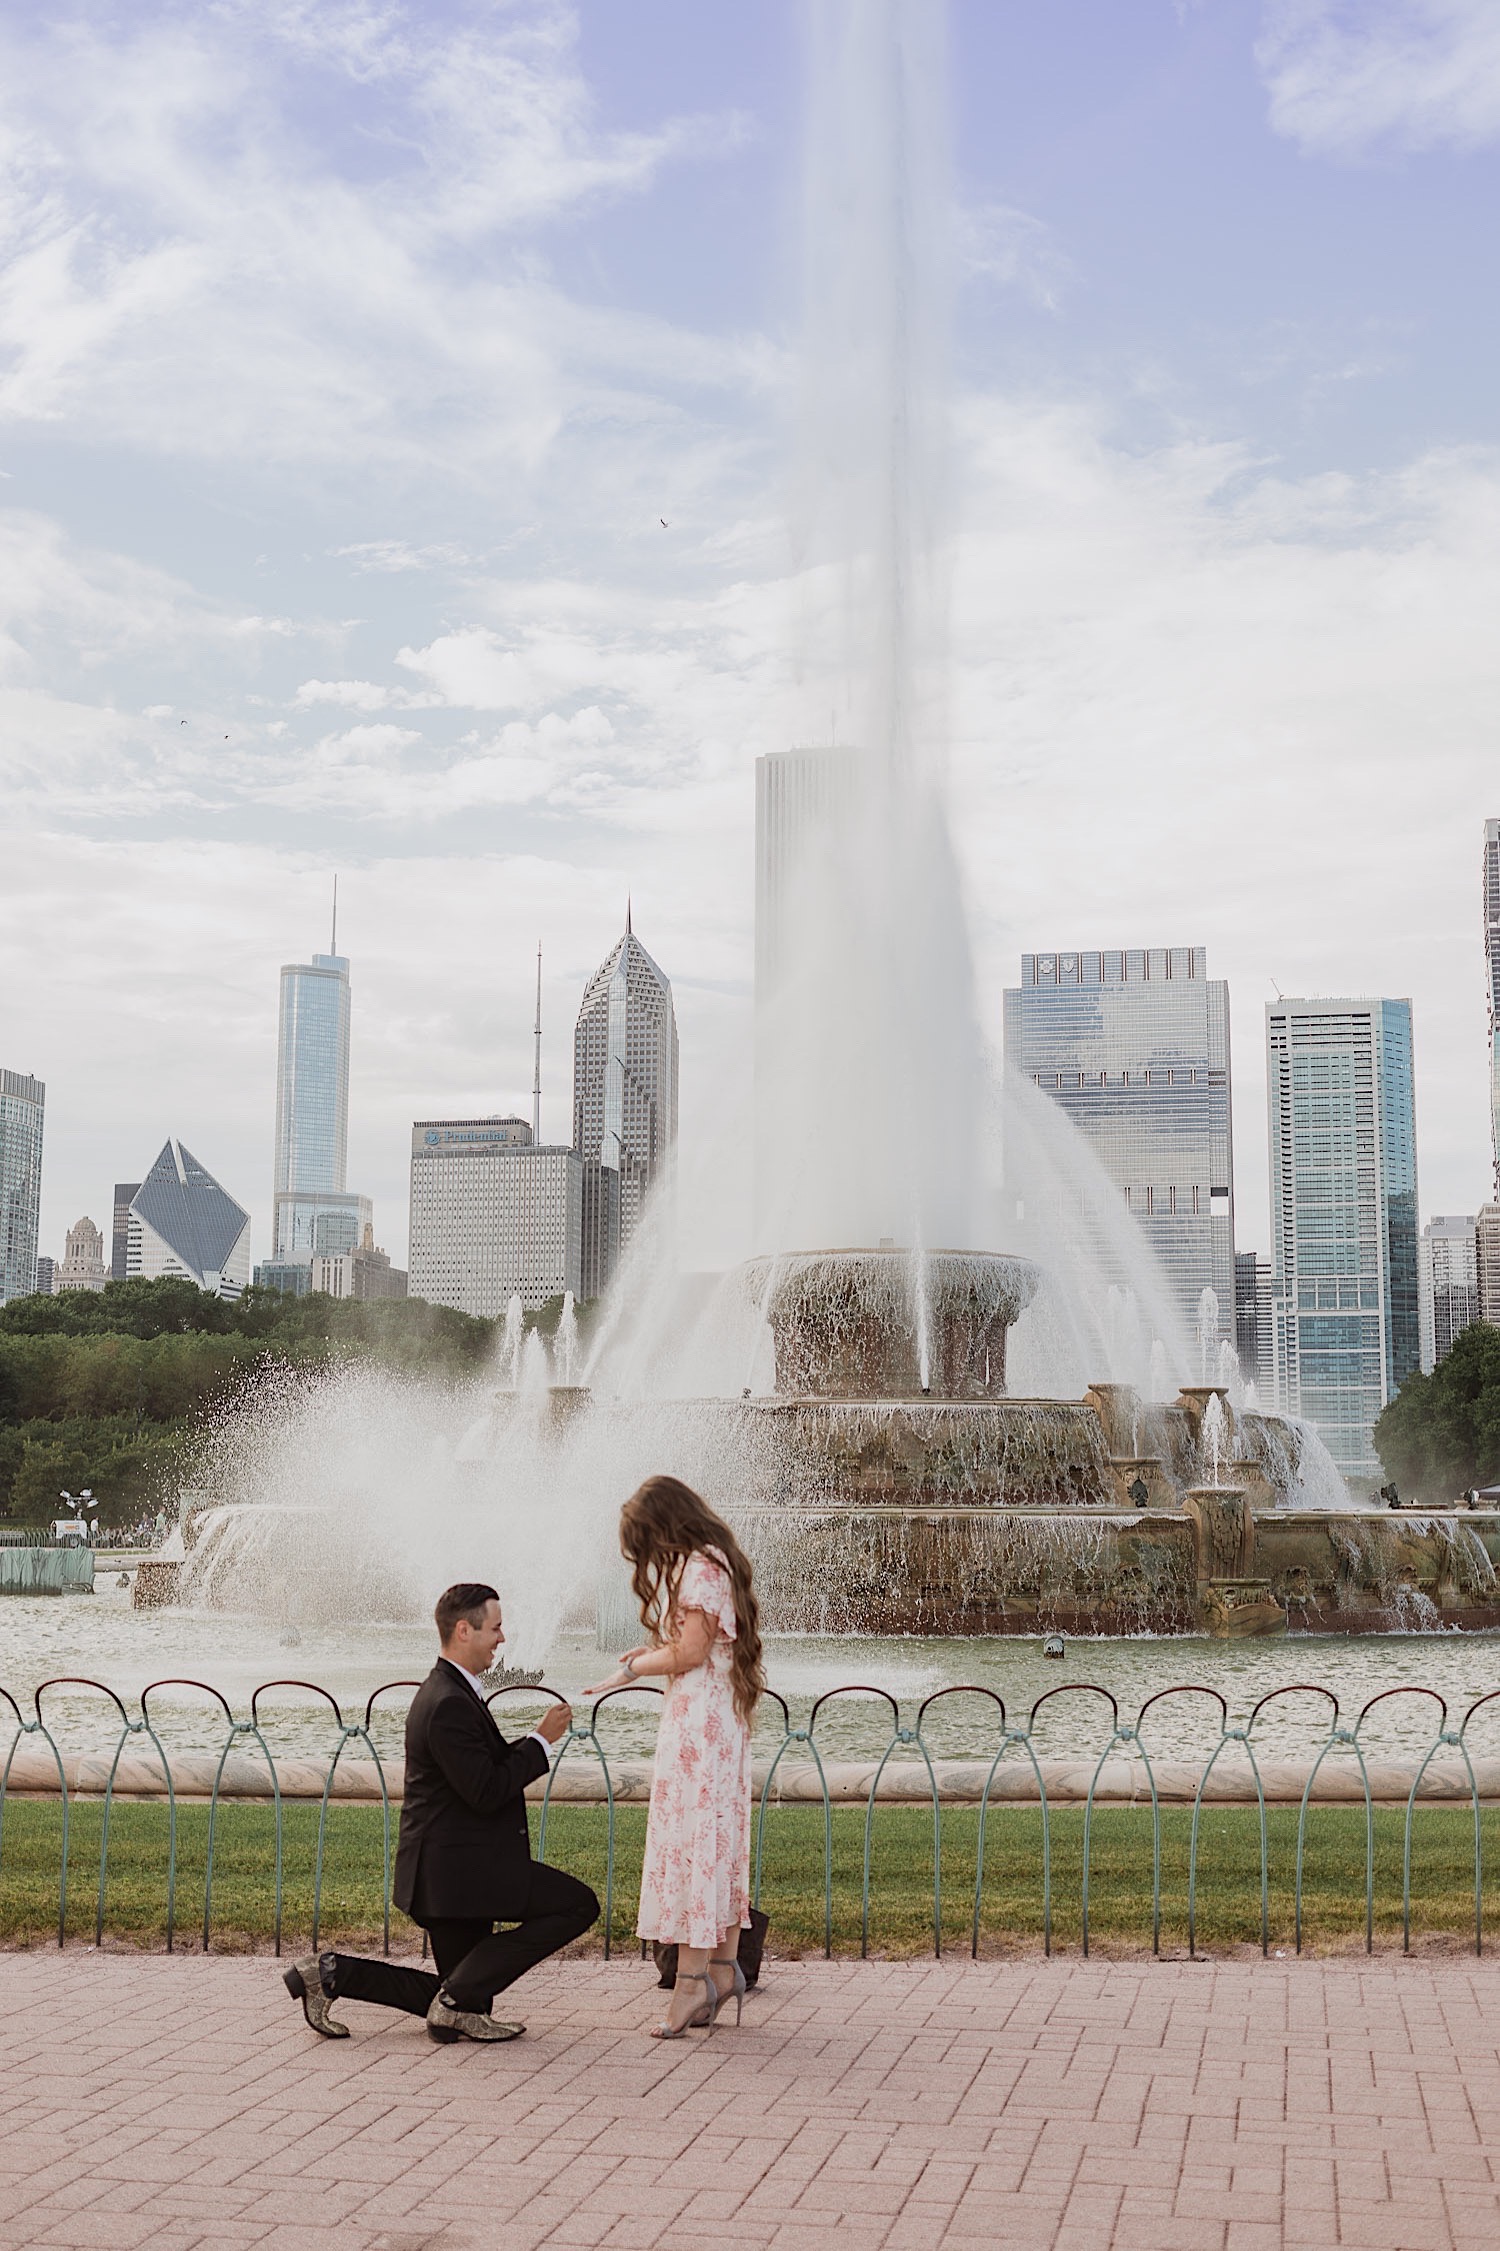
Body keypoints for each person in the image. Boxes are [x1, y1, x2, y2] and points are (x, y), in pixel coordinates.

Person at [283, 1582, 597, 2044]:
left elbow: (477, 1774)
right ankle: (443, 2000)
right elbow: (486, 1790)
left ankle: (329, 1973)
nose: (503, 1639)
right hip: (460, 1875)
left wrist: (530, 1745)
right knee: (577, 1905)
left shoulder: (450, 1691)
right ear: (464, 1630)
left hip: (455, 1868)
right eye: (496, 1628)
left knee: (461, 2000)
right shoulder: (447, 1701)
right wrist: (540, 1741)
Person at [587, 1476, 764, 2039]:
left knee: (694, 1840)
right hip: (716, 1721)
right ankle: (721, 1969)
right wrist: (653, 1654)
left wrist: (636, 1668)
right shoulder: (715, 1561)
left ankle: (691, 1984)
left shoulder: (698, 1568)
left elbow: (689, 1652)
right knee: (716, 1841)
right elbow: (700, 1647)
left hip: (700, 1730)